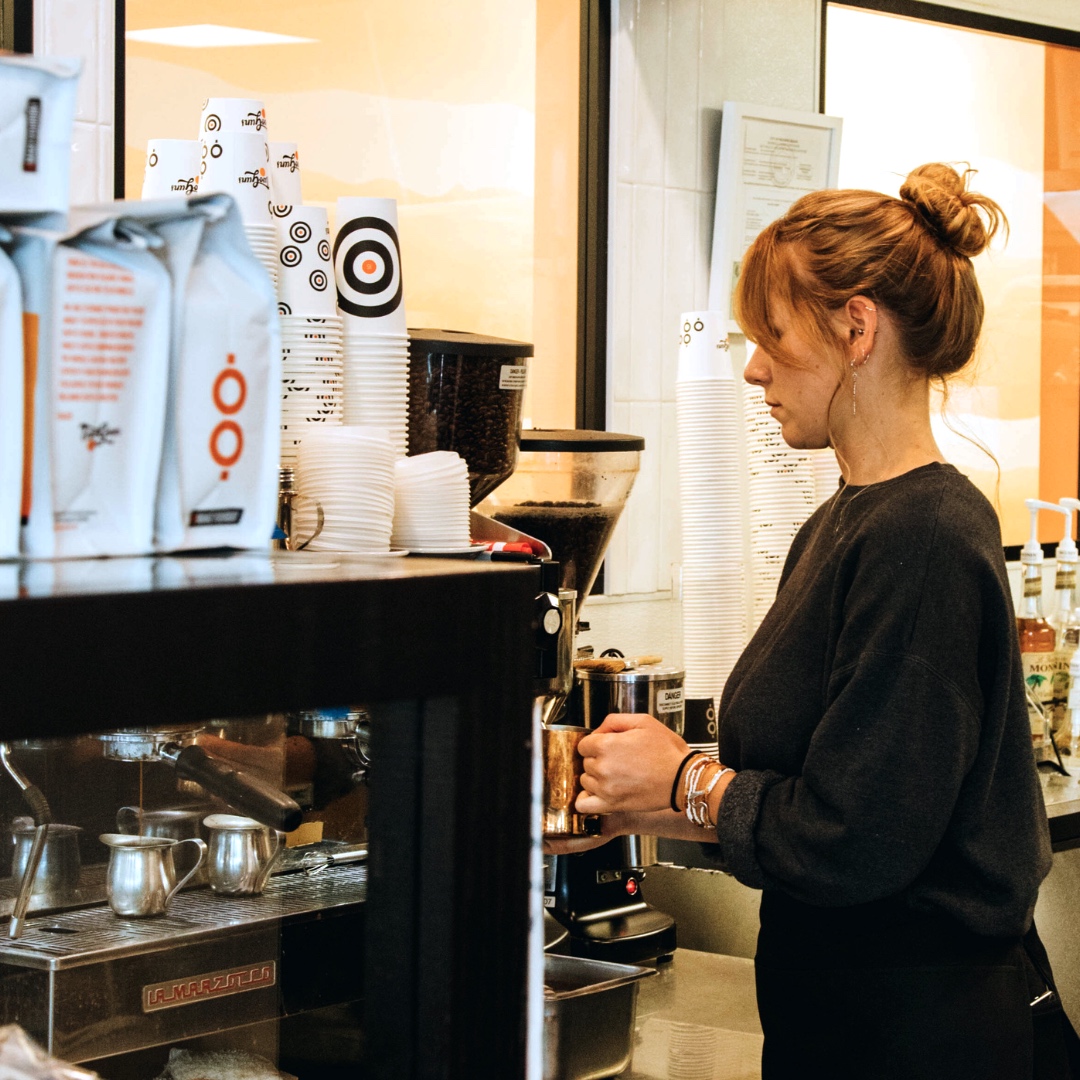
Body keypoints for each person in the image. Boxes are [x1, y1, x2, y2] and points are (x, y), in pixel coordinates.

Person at [554, 163, 1054, 1078]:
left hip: (921, 1035)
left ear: (857, 328)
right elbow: (806, 795)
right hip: (840, 1023)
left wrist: (686, 781)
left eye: (772, 336)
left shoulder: (926, 537)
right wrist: (636, 799)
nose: (753, 368)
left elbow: (855, 838)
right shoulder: (841, 522)